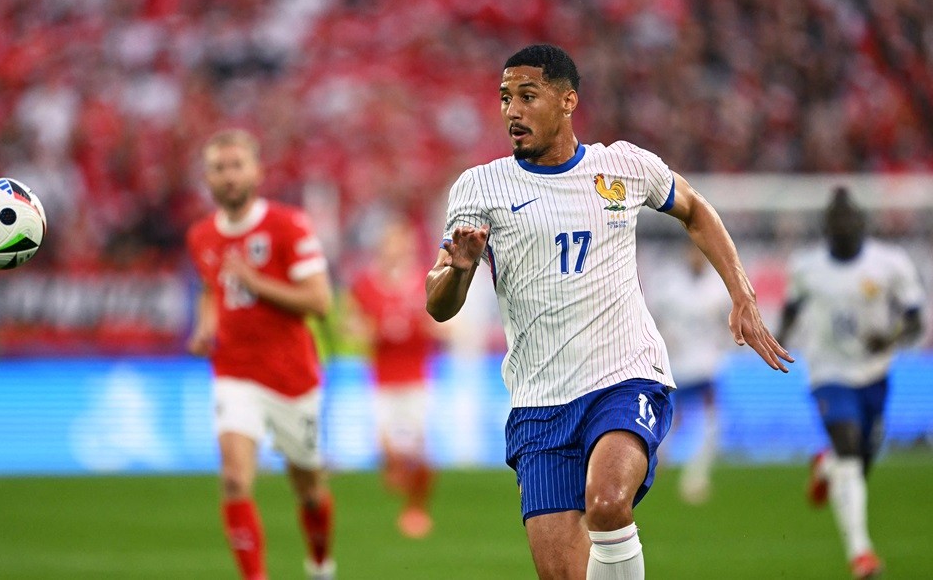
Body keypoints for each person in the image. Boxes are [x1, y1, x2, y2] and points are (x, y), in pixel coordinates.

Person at [425, 44, 792, 580]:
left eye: (528, 96)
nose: (512, 111)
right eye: (505, 98)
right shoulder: (479, 188)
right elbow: (439, 304)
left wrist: (742, 292)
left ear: (568, 99)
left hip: (625, 376)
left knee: (607, 502)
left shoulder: (622, 166)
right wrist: (459, 269)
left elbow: (694, 209)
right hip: (540, 404)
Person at [186, 128, 336, 580]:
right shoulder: (201, 236)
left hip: (292, 375)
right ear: (207, 177)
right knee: (234, 478)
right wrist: (206, 324)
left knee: (308, 488)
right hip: (234, 370)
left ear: (256, 172)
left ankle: (320, 565)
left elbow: (319, 301)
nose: (228, 176)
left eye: (236, 165)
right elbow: (213, 289)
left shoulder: (288, 225)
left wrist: (256, 283)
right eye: (218, 168)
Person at [775, 187, 925, 580]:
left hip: (875, 373)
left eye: (848, 220)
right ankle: (861, 553)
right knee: (849, 450)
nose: (842, 228)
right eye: (834, 222)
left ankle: (825, 467)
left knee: (859, 459)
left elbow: (915, 319)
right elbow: (791, 309)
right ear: (825, 228)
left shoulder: (889, 263)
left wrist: (889, 339)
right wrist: (777, 342)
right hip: (829, 374)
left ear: (862, 223)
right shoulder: (807, 268)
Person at [346, 216, 438, 538]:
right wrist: (369, 331)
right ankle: (397, 473)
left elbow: (442, 322)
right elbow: (350, 324)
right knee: (388, 449)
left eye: (402, 243)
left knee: (418, 449)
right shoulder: (366, 285)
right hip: (382, 380)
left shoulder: (424, 281)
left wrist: (426, 326)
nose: (397, 250)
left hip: (415, 378)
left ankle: (416, 510)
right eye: (391, 244)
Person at [645, 242, 732, 505]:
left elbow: (726, 323)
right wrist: (661, 336)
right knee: (672, 421)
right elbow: (652, 316)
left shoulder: (717, 288)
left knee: (712, 422)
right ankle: (658, 459)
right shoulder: (670, 285)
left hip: (706, 366)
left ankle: (695, 476)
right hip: (676, 367)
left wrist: (722, 343)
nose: (697, 258)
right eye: (693, 252)